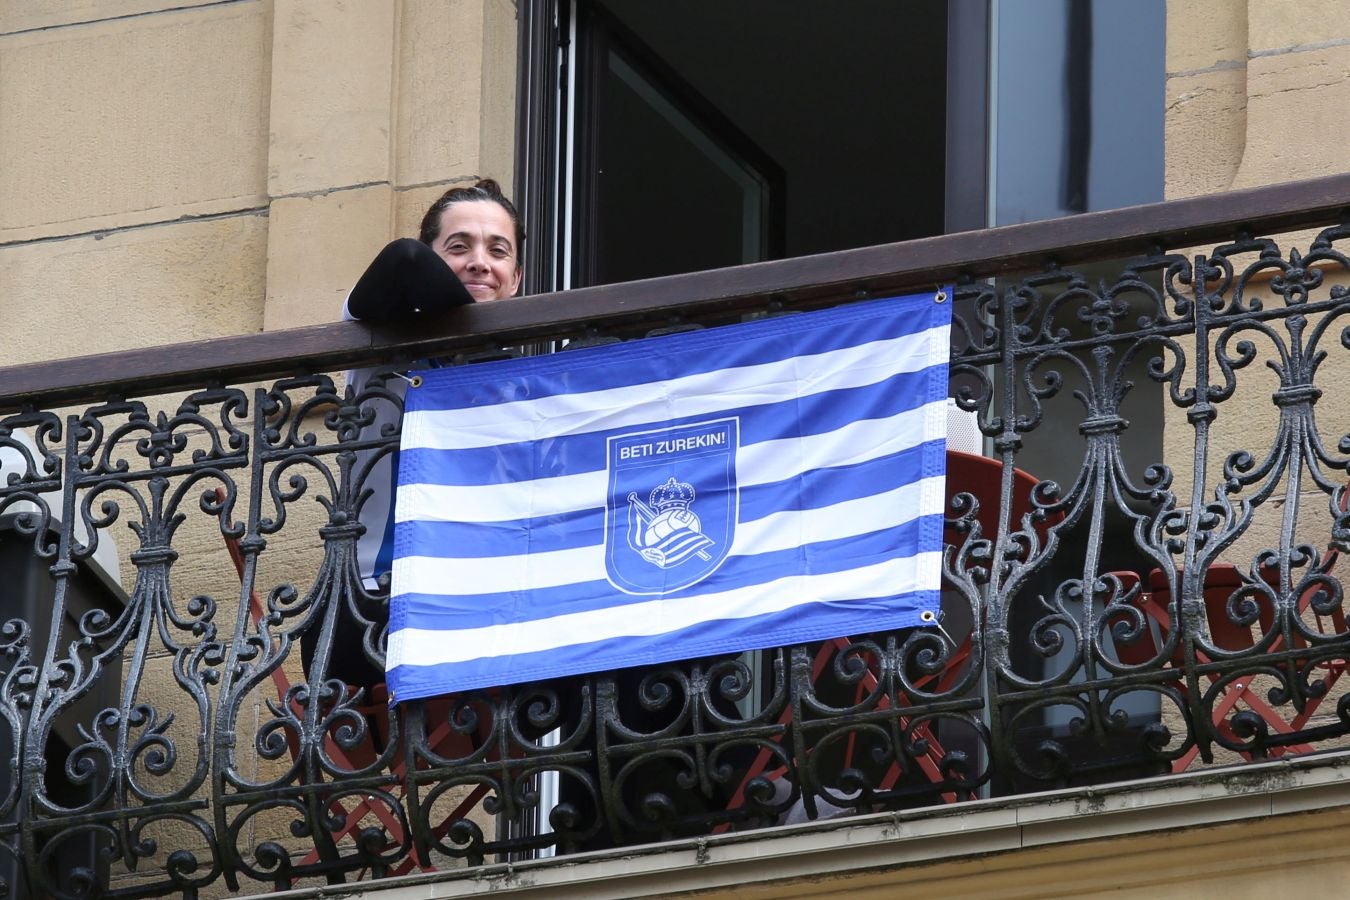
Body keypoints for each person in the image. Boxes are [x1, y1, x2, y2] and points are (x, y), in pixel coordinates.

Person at [304, 179, 524, 689]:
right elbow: (403, 261)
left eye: (498, 250)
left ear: (516, 279)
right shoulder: (381, 333)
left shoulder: (526, 394)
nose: (479, 262)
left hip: (494, 618)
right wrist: (486, 355)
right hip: (370, 611)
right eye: (458, 246)